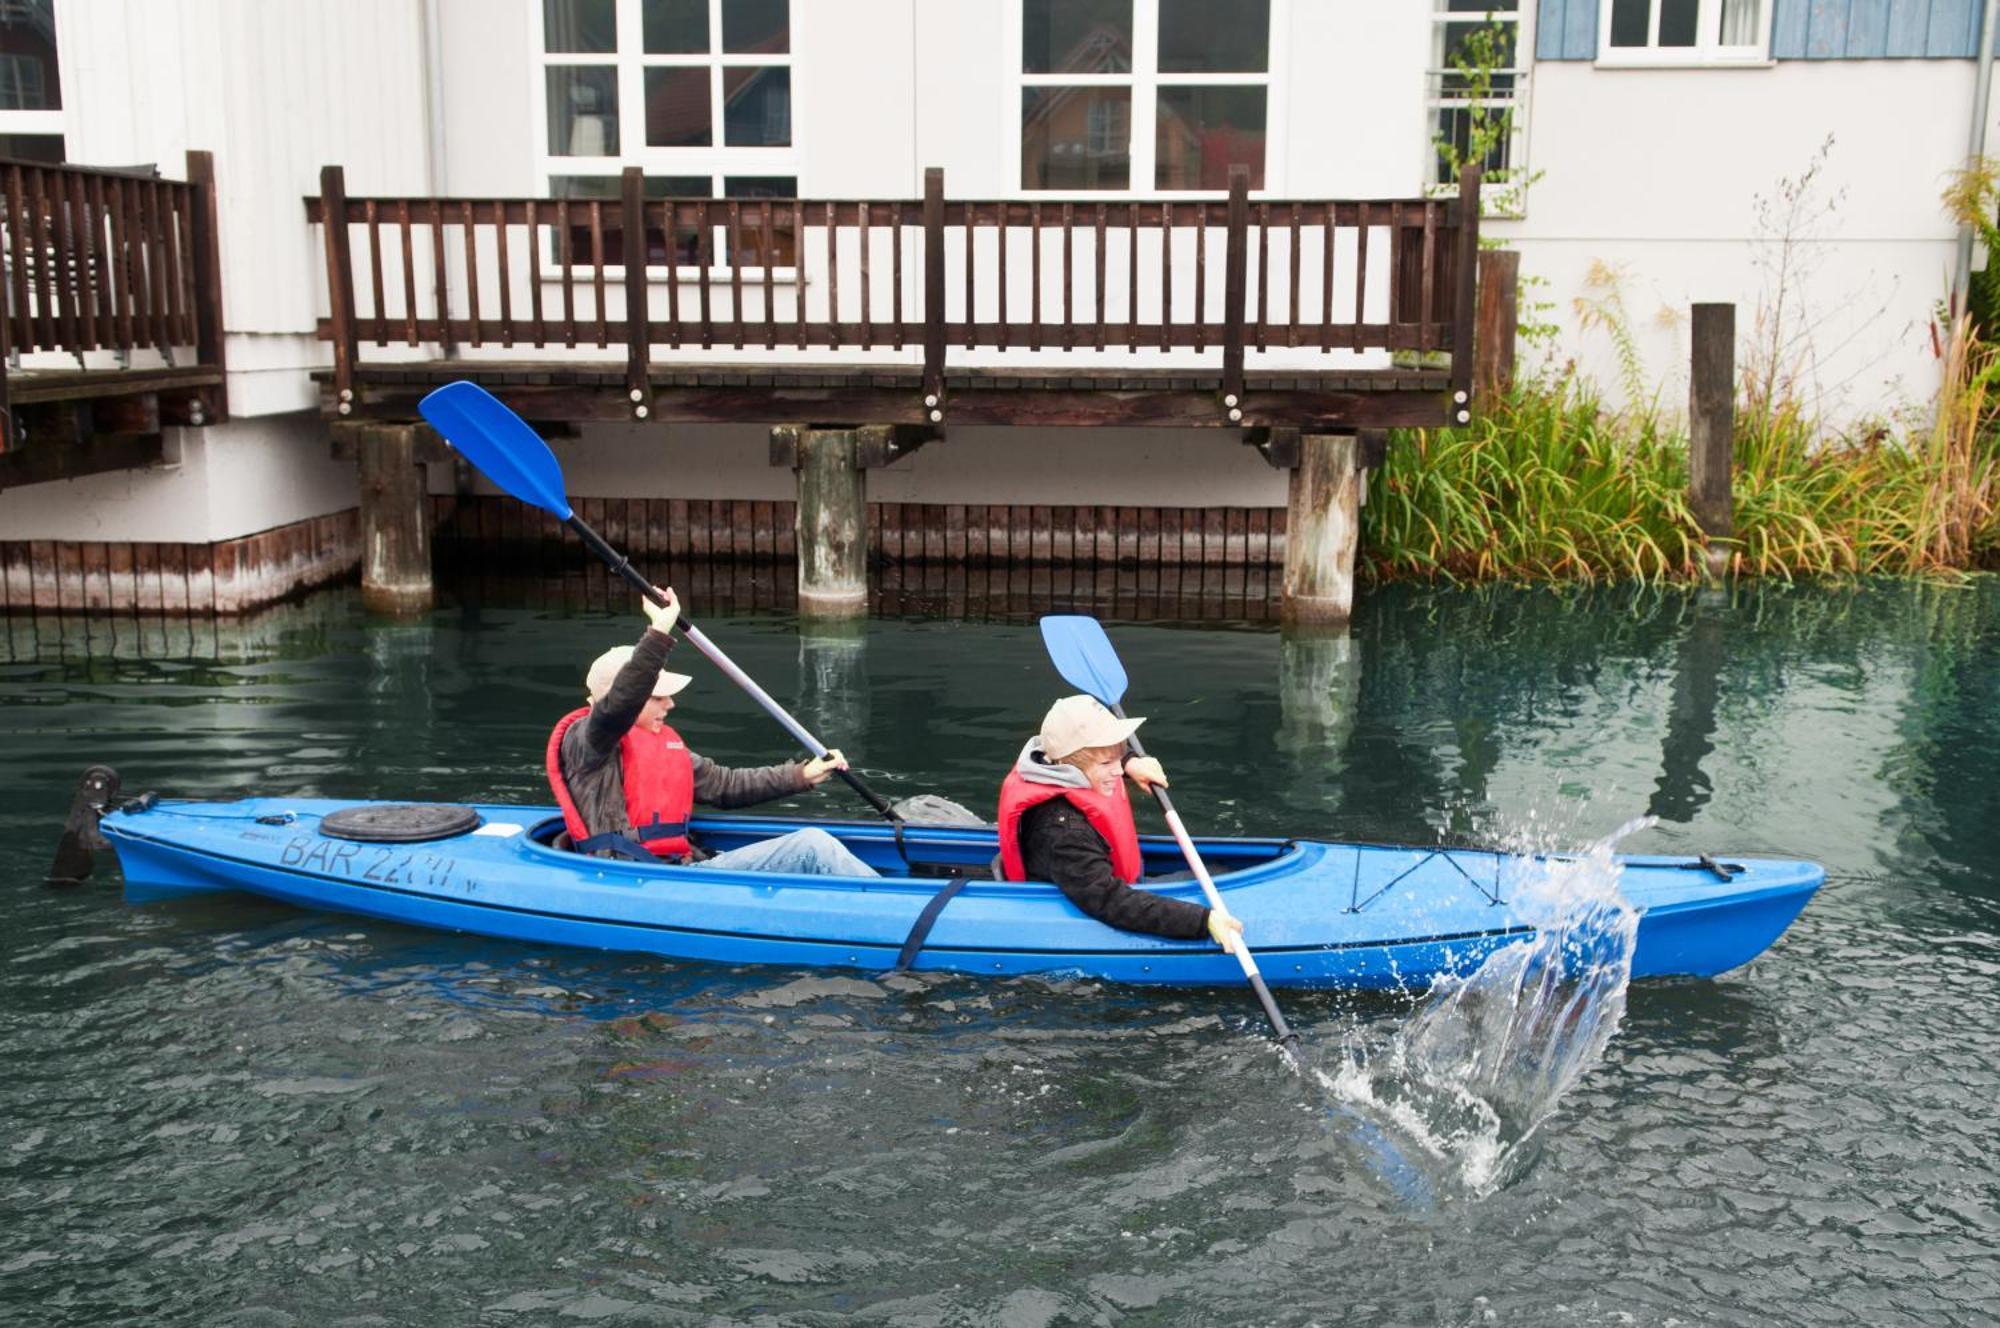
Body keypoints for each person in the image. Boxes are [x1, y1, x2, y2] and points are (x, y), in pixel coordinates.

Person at [546, 587, 878, 877]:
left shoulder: (663, 744)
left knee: (816, 843)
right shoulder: (587, 741)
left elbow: (725, 785)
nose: (671, 704)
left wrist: (802, 774)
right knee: (812, 845)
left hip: (679, 869)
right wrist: (659, 630)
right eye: (659, 697)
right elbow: (620, 704)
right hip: (634, 877)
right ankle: (898, 913)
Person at [997, 694, 1243, 951]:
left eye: (1118, 759)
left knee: (1221, 871)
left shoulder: (1049, 761)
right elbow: (1111, 900)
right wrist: (1201, 922)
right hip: (1094, 896)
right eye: (1107, 763)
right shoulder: (1064, 832)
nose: (1117, 772)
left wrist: (1131, 761)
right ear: (1069, 766)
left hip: (1102, 876)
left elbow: (1094, 758)